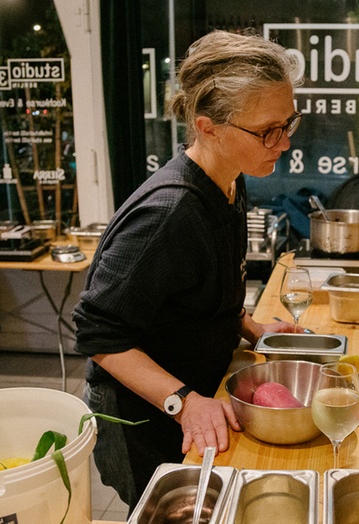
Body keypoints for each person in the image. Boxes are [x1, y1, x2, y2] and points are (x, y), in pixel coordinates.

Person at [72, 30, 303, 509]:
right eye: (267, 131)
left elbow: (198, 289)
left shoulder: (231, 181)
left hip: (200, 392)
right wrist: (184, 401)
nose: (282, 143)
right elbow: (98, 331)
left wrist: (250, 328)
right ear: (208, 127)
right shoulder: (170, 212)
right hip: (147, 420)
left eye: (289, 123)